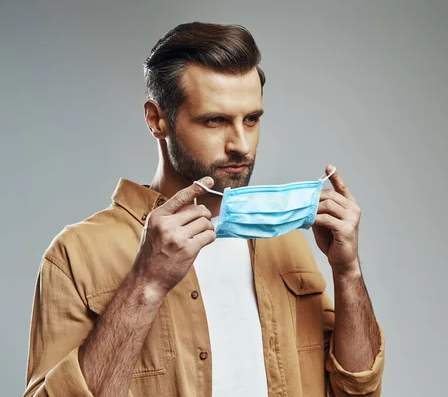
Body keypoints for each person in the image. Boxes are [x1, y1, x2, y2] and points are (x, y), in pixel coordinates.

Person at [24, 22, 384, 397]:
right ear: (157, 119)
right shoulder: (76, 255)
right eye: (215, 120)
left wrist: (348, 271)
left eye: (252, 119)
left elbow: (355, 391)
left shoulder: (284, 243)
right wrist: (145, 284)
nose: (241, 145)